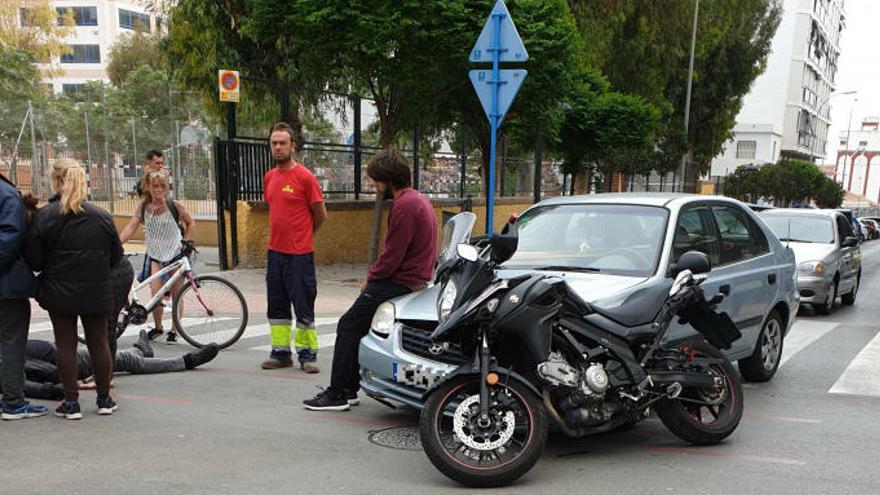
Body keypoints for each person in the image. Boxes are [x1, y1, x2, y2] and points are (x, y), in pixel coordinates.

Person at [304, 148, 437, 411]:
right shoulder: (416, 200)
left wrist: (370, 279)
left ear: (388, 179)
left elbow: (391, 256)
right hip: (411, 278)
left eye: (376, 180)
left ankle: (338, 393)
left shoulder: (405, 205)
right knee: (358, 327)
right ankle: (348, 388)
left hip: (399, 280)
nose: (374, 186)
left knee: (348, 325)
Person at [26, 158, 122, 420]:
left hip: (59, 291)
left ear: (55, 180)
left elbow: (34, 259)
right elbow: (116, 256)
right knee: (99, 343)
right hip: (96, 289)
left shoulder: (45, 216)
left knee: (65, 344)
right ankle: (104, 399)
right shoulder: (101, 217)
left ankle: (71, 403)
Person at [260, 122, 327, 373]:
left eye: (282, 143)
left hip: (300, 255)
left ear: (292, 146)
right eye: (274, 143)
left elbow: (320, 214)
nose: (278, 147)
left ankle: (307, 356)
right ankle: (280, 354)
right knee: (277, 306)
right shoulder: (269, 177)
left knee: (303, 305)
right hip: (275, 253)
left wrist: (305, 236)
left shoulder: (305, 177)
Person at [0, 331, 220, 401]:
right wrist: (62, 387)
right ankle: (185, 361)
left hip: (57, 350)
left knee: (119, 357)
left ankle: (141, 349)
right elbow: (25, 383)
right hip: (62, 359)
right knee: (124, 360)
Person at [118, 172, 195, 344]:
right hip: (156, 255)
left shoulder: (174, 205)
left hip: (175, 253)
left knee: (177, 293)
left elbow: (190, 222)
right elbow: (131, 228)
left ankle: (175, 330)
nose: (159, 189)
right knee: (155, 293)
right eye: (155, 186)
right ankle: (158, 326)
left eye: (162, 186)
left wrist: (187, 242)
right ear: (148, 188)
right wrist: (116, 244)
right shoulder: (144, 207)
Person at [0, 172, 47, 420]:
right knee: (12, 343)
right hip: (8, 286)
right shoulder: (7, 194)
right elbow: (10, 238)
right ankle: (13, 402)